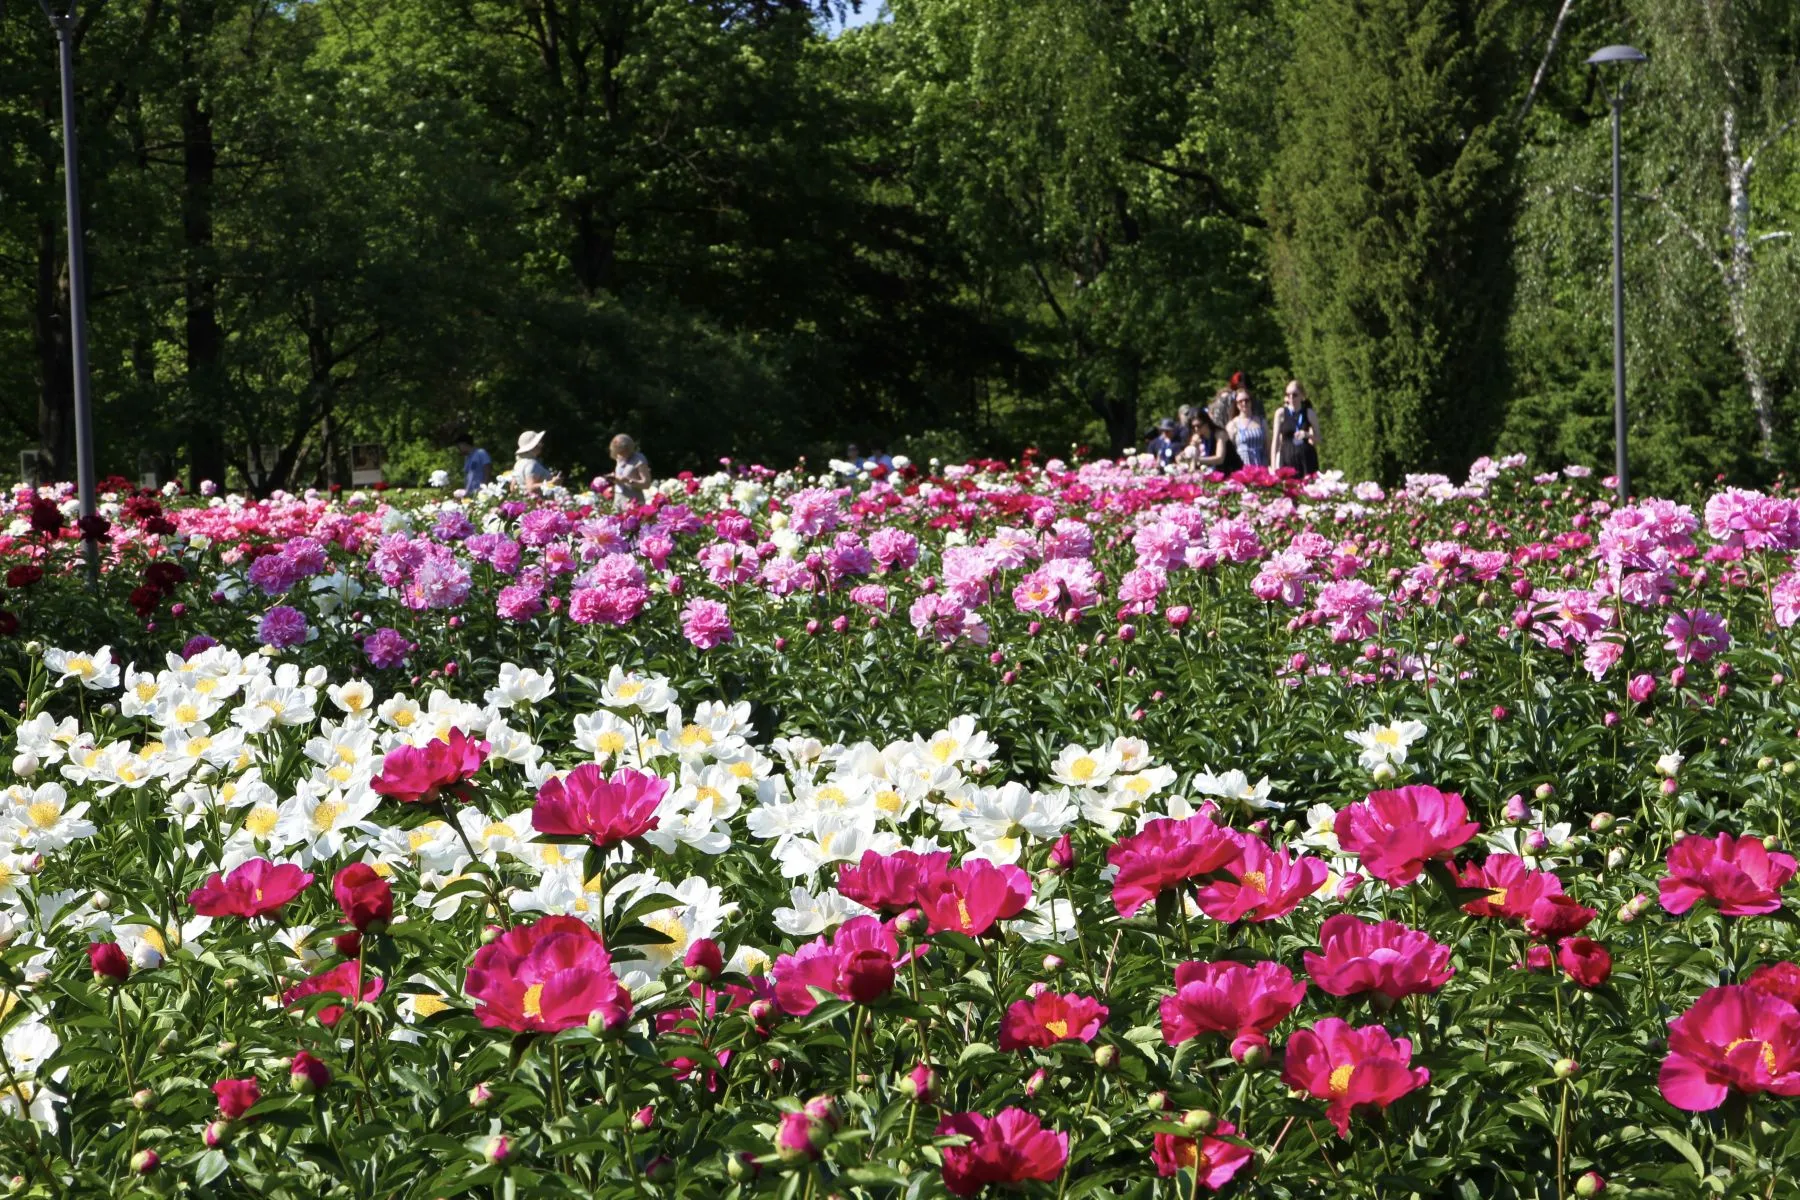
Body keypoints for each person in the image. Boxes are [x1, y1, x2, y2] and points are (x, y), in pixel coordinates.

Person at [1273, 380, 1321, 476]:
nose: (1291, 397)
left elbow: (1319, 439)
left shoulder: (1309, 413)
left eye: (1294, 395)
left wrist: (1307, 435)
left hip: (1306, 460)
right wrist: (1274, 466)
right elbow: (1275, 441)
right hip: (1287, 458)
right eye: (1288, 394)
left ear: (1302, 396)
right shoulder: (1280, 413)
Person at [1226, 391, 1269, 468]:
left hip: (1261, 465)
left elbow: (1268, 446)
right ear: (1236, 404)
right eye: (1240, 401)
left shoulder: (1261, 422)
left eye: (1246, 400)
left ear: (1251, 401)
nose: (1244, 403)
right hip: (1242, 466)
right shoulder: (1232, 424)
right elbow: (1229, 451)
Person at [610, 434, 652, 509]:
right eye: (617, 453)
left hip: (634, 502)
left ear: (628, 448)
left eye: (622, 452)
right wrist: (614, 478)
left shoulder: (639, 459)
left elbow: (646, 484)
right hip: (618, 500)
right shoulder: (618, 457)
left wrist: (628, 480)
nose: (619, 455)